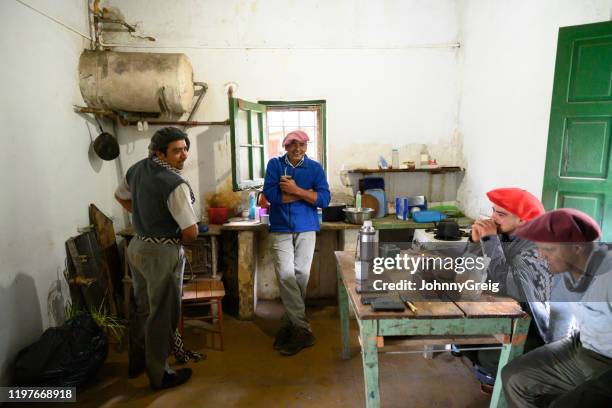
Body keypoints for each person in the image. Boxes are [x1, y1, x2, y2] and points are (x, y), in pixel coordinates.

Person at [460, 188, 574, 388]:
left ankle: (528, 387)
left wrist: (489, 241)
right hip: (516, 316)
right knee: (465, 340)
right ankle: (496, 380)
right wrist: (475, 243)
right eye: (493, 211)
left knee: (486, 355)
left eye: (501, 214)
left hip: (543, 335)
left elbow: (506, 289)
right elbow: (466, 275)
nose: (493, 218)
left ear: (523, 220)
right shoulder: (507, 237)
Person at [502, 208, 612, 407]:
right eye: (540, 249)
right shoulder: (566, 269)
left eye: (549, 250)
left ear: (577, 247)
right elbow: (562, 315)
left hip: (606, 362)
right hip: (582, 344)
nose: (541, 256)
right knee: (513, 377)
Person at [115, 127, 198, 390]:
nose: (183, 155)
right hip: (162, 253)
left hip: (137, 247)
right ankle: (159, 374)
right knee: (162, 315)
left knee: (143, 309)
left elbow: (121, 196)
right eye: (177, 150)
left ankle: (137, 363)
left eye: (185, 148)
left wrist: (143, 216)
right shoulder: (174, 184)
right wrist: (173, 239)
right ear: (159, 152)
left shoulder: (137, 168)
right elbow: (191, 231)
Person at [263, 130, 330, 356]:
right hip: (280, 228)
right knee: (285, 275)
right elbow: (270, 196)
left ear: (306, 147)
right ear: (285, 146)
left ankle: (290, 323)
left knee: (301, 275)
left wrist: (294, 191)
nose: (297, 148)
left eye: (301, 144)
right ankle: (302, 328)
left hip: (306, 227)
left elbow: (324, 199)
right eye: (292, 144)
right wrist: (306, 195)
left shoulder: (315, 168)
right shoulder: (274, 165)